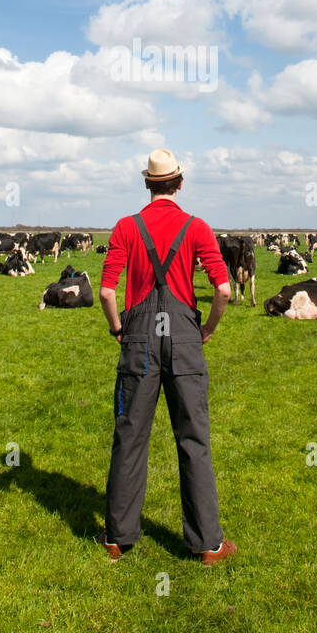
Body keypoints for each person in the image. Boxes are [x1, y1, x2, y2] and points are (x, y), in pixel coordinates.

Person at [98, 148, 236, 566]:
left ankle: (118, 538)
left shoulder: (126, 227)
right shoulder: (197, 227)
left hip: (139, 336)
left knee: (130, 437)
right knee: (193, 439)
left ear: (147, 183)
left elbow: (107, 292)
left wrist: (118, 329)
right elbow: (225, 290)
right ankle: (207, 544)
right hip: (184, 338)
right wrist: (207, 328)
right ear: (179, 183)